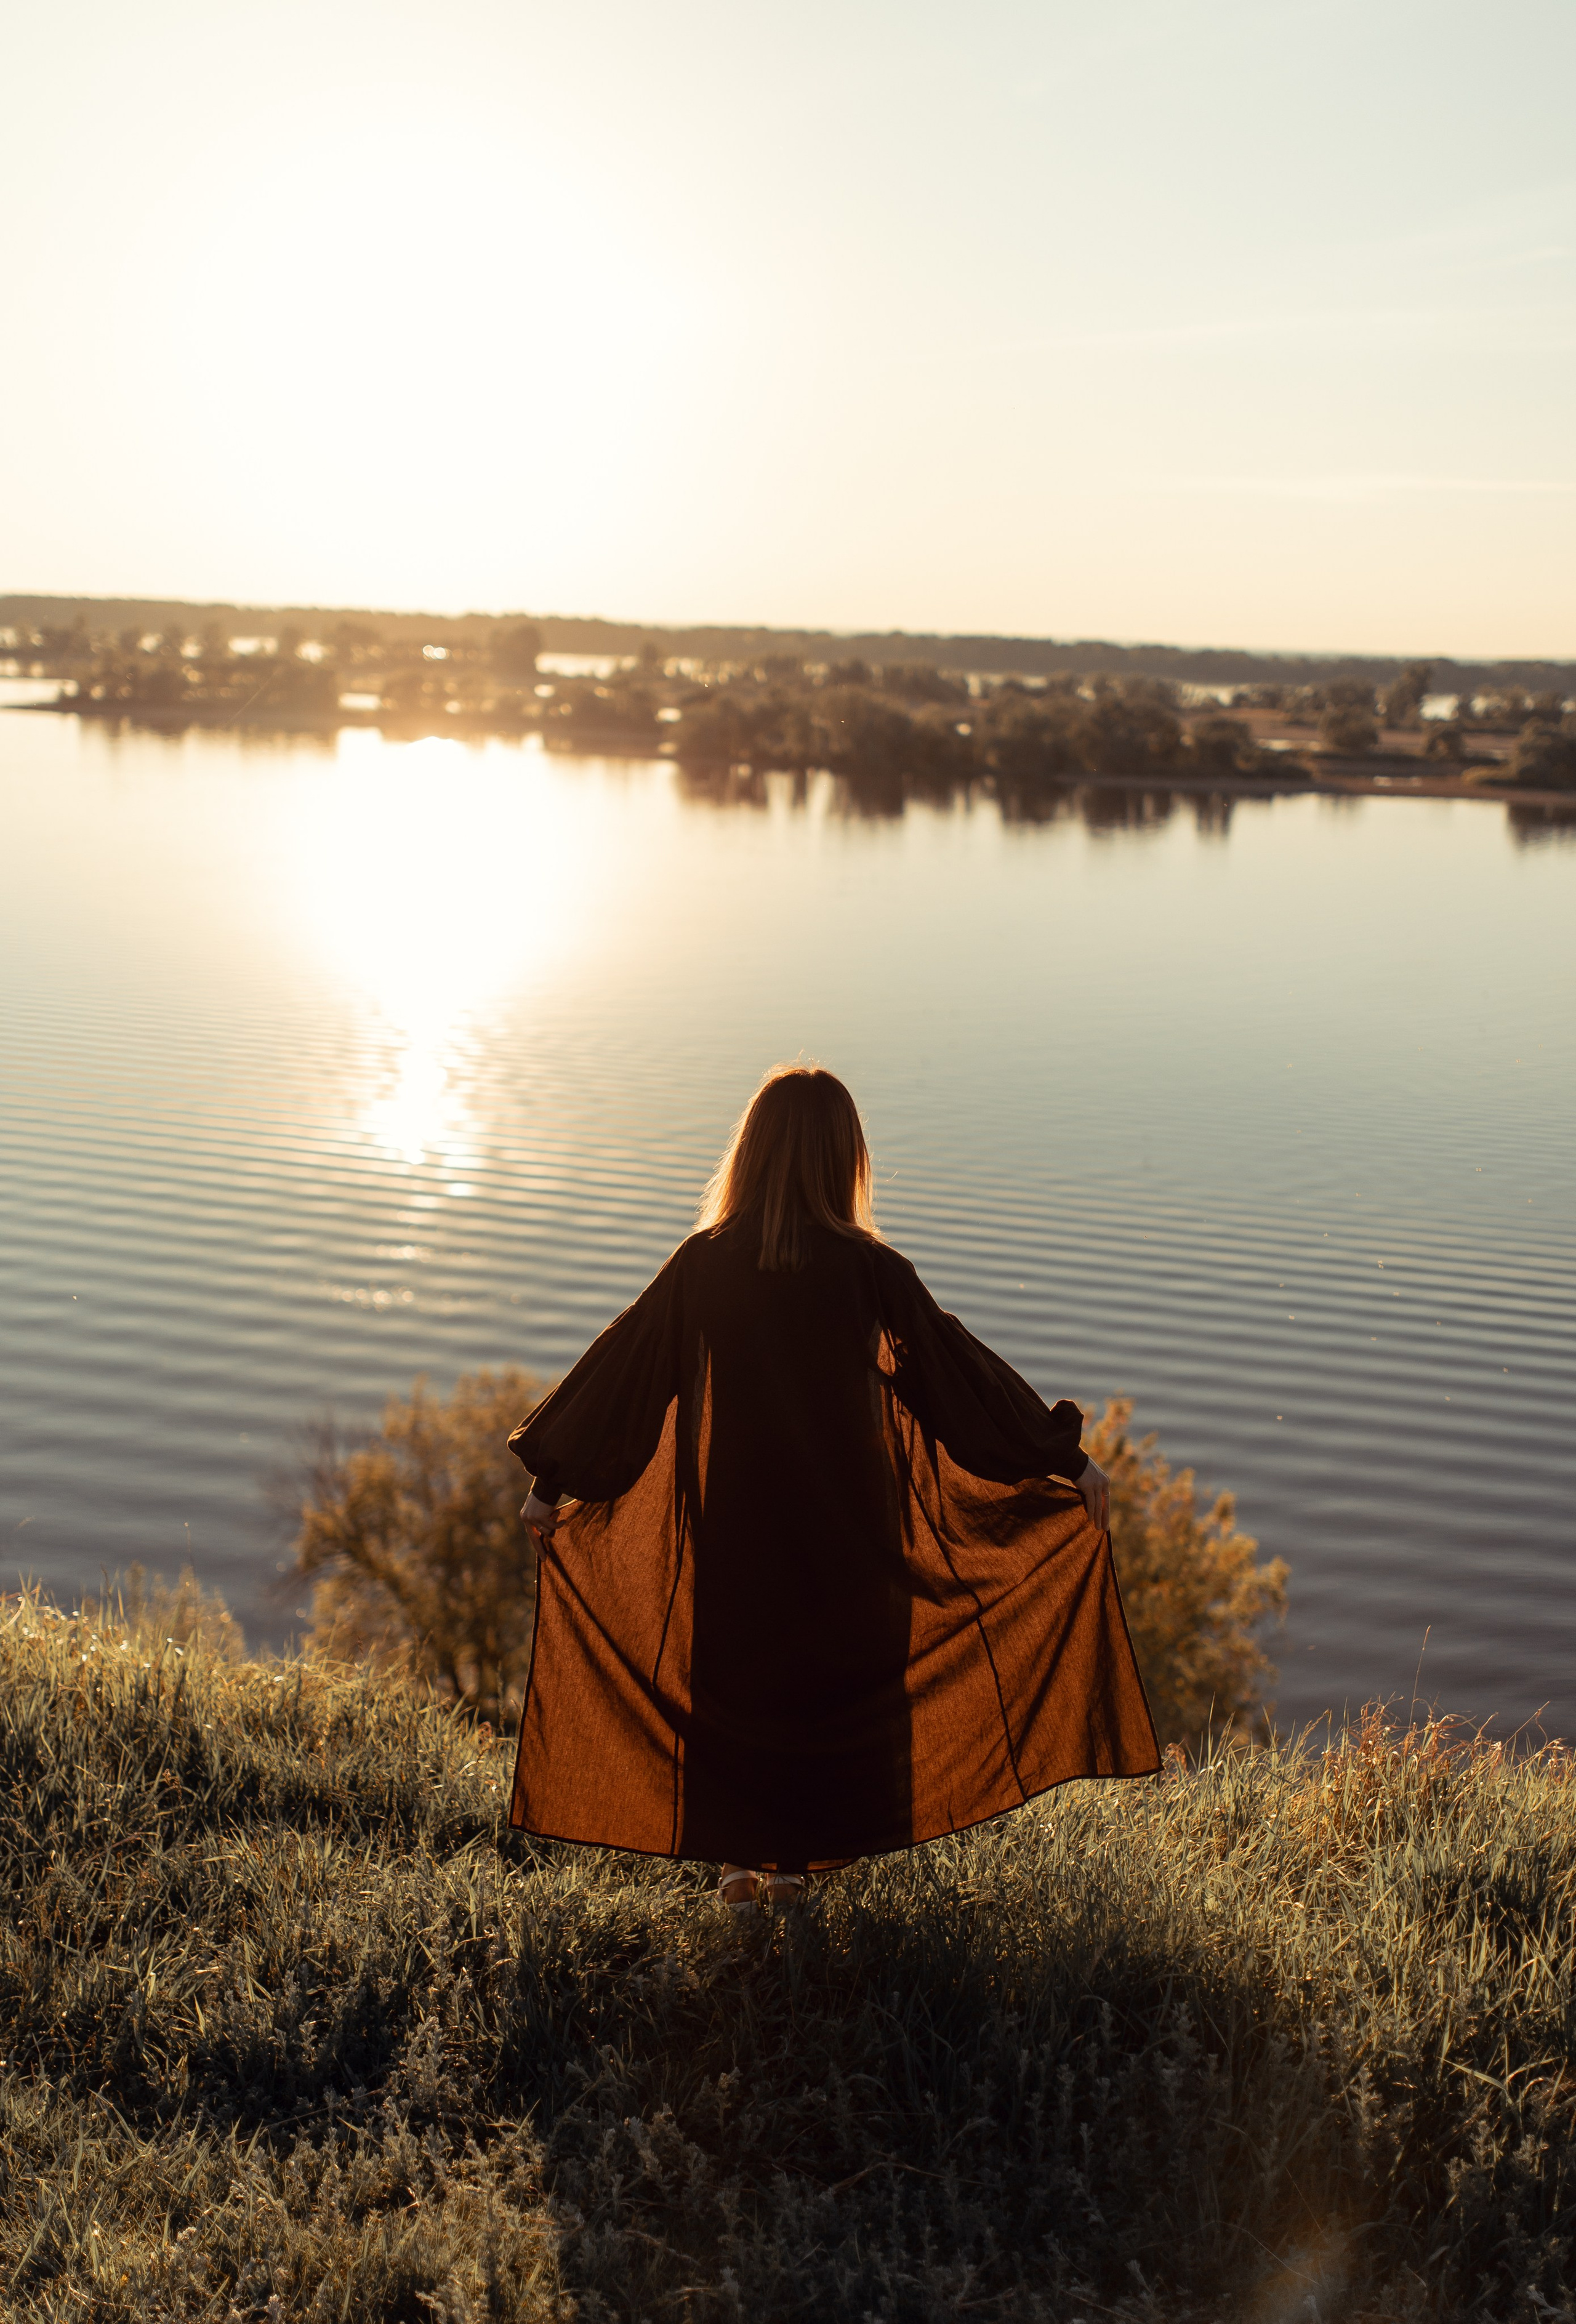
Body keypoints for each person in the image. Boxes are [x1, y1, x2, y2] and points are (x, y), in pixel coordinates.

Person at [509, 1064, 1159, 1913]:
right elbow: (957, 1381)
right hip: (850, 1528)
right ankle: (792, 1880)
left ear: (752, 1153)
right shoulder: (871, 1271)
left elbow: (630, 1366)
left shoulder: (705, 1266)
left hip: (737, 1524)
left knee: (733, 1692)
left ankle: (742, 1873)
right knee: (834, 1695)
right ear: (845, 1158)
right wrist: (1063, 1458)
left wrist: (551, 1479)